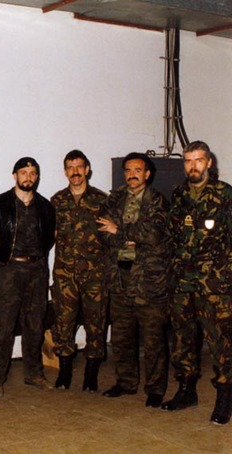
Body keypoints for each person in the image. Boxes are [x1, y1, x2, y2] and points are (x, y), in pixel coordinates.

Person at [163, 140, 232, 425]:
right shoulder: (179, 194)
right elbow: (171, 235)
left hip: (213, 284)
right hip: (182, 281)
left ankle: (224, 398)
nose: (193, 166)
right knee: (182, 338)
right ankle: (186, 390)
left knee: (221, 342)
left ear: (209, 163)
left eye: (198, 160)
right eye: (188, 161)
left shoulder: (224, 194)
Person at [97, 152, 170, 407]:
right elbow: (102, 233)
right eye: (128, 170)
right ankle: (126, 382)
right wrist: (126, 236)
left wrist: (121, 230)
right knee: (122, 336)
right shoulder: (115, 198)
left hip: (149, 280)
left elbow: (154, 234)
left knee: (153, 340)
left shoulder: (157, 200)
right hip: (120, 277)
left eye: (137, 170)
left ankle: (155, 388)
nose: (132, 174)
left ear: (147, 173)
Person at [0, 157, 56, 397]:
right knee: (2, 327)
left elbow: (49, 239)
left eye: (33, 173)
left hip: (37, 270)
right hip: (8, 271)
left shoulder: (46, 206)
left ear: (37, 177)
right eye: (23, 172)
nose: (28, 177)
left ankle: (34, 373)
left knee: (35, 326)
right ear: (14, 175)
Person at [50, 150, 108, 392]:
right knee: (63, 323)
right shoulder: (56, 201)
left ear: (87, 169)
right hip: (65, 274)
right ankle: (64, 373)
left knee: (96, 324)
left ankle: (91, 375)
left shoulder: (102, 200)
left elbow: (111, 235)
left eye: (79, 167)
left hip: (95, 274)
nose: (75, 171)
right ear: (65, 171)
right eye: (70, 167)